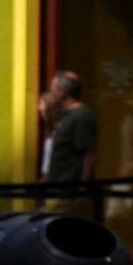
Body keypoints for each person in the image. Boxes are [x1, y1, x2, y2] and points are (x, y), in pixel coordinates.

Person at [35, 70, 95, 200]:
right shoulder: (66, 116)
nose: (51, 93)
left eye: (53, 89)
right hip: (56, 189)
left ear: (63, 92)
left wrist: (82, 189)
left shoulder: (82, 116)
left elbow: (88, 155)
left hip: (67, 192)